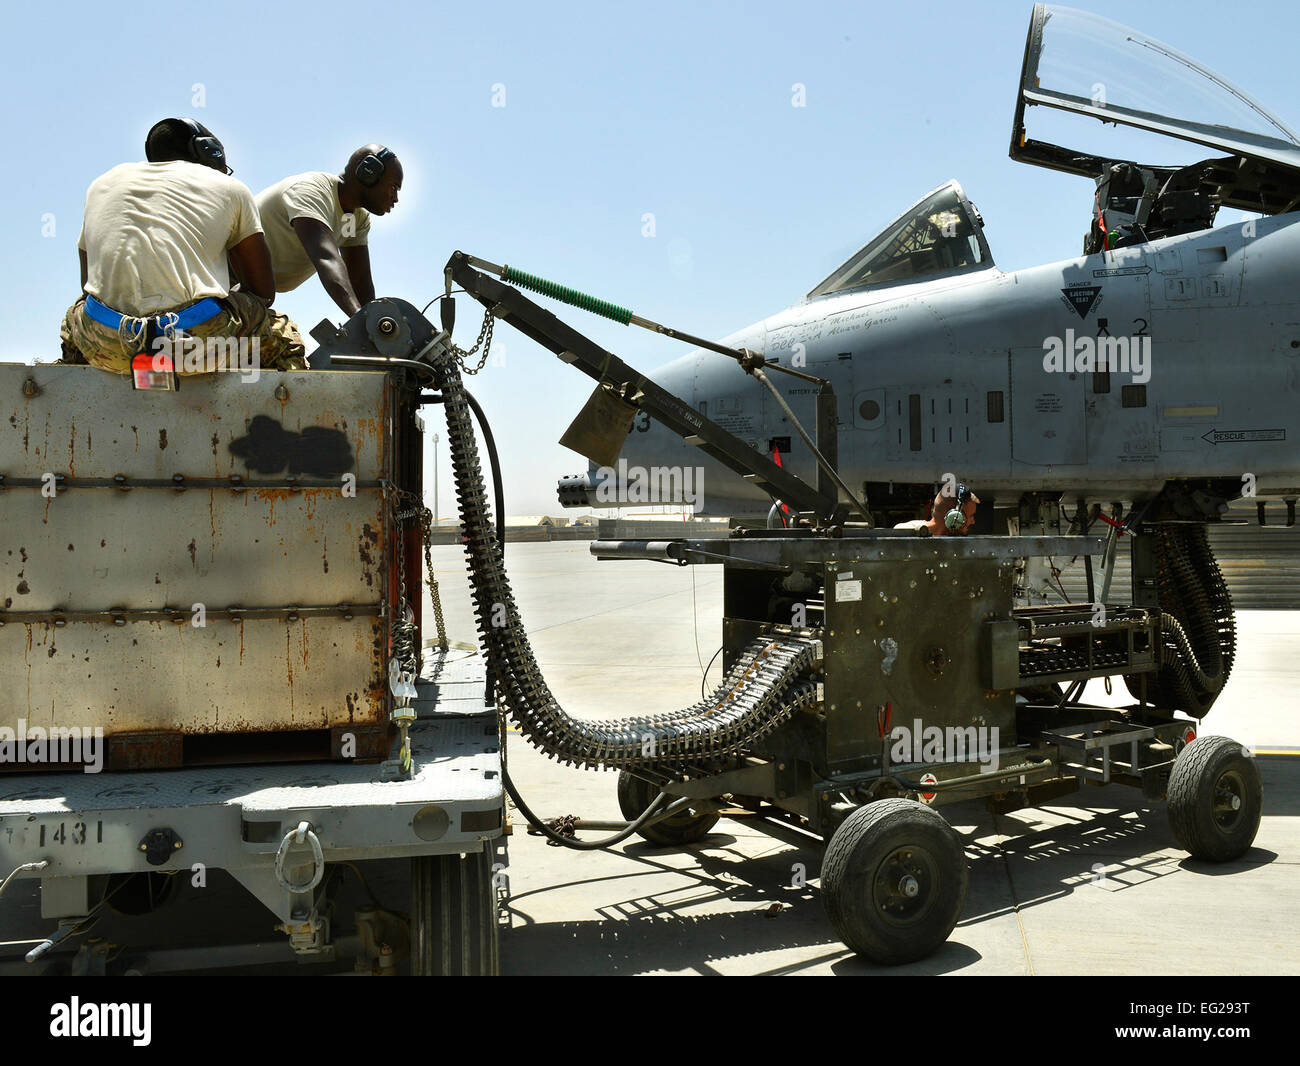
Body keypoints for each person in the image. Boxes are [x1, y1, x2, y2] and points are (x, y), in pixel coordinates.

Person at [59, 118, 306, 376]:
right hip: (193, 346)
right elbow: (263, 293)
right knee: (282, 336)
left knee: (74, 317)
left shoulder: (101, 184)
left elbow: (88, 286)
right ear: (210, 152)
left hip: (107, 345)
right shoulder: (230, 188)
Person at [255, 144, 402, 317]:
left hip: (253, 292)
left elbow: (359, 278)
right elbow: (326, 258)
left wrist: (374, 321)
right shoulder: (312, 192)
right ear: (368, 174)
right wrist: (360, 321)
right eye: (393, 187)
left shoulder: (355, 218)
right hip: (224, 276)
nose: (396, 198)